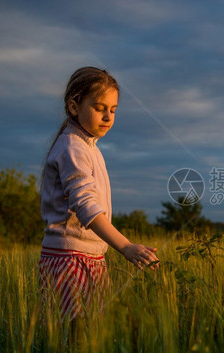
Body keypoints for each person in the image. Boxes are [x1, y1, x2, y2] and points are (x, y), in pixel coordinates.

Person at [39, 66, 159, 322]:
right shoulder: (73, 148)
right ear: (74, 107)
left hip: (90, 256)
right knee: (76, 337)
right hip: (69, 258)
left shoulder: (89, 148)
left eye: (113, 110)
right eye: (99, 108)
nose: (107, 117)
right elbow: (85, 206)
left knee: (93, 337)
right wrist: (125, 246)